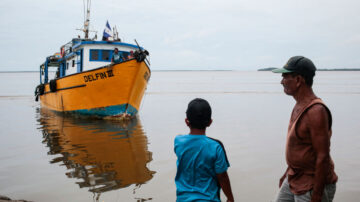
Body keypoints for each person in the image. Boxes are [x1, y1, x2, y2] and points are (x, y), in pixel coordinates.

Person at [272, 56, 338, 202]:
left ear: (298, 80)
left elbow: (323, 156)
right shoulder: (299, 105)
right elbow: (300, 149)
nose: (281, 81)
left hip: (312, 182)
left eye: (285, 77)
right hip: (294, 176)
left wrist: (317, 195)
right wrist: (287, 172)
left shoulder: (316, 111)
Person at [174, 98, 234, 202]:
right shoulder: (215, 147)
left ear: (186, 121)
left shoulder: (178, 142)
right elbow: (223, 177)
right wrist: (230, 198)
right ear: (210, 122)